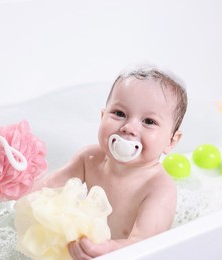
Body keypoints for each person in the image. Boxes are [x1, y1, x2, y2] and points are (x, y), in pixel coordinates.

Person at [32, 64, 188, 259]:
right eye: (120, 114)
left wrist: (109, 250)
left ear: (171, 141)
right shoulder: (89, 159)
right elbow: (43, 189)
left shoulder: (159, 188)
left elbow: (144, 244)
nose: (129, 128)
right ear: (102, 116)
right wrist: (15, 182)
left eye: (148, 121)